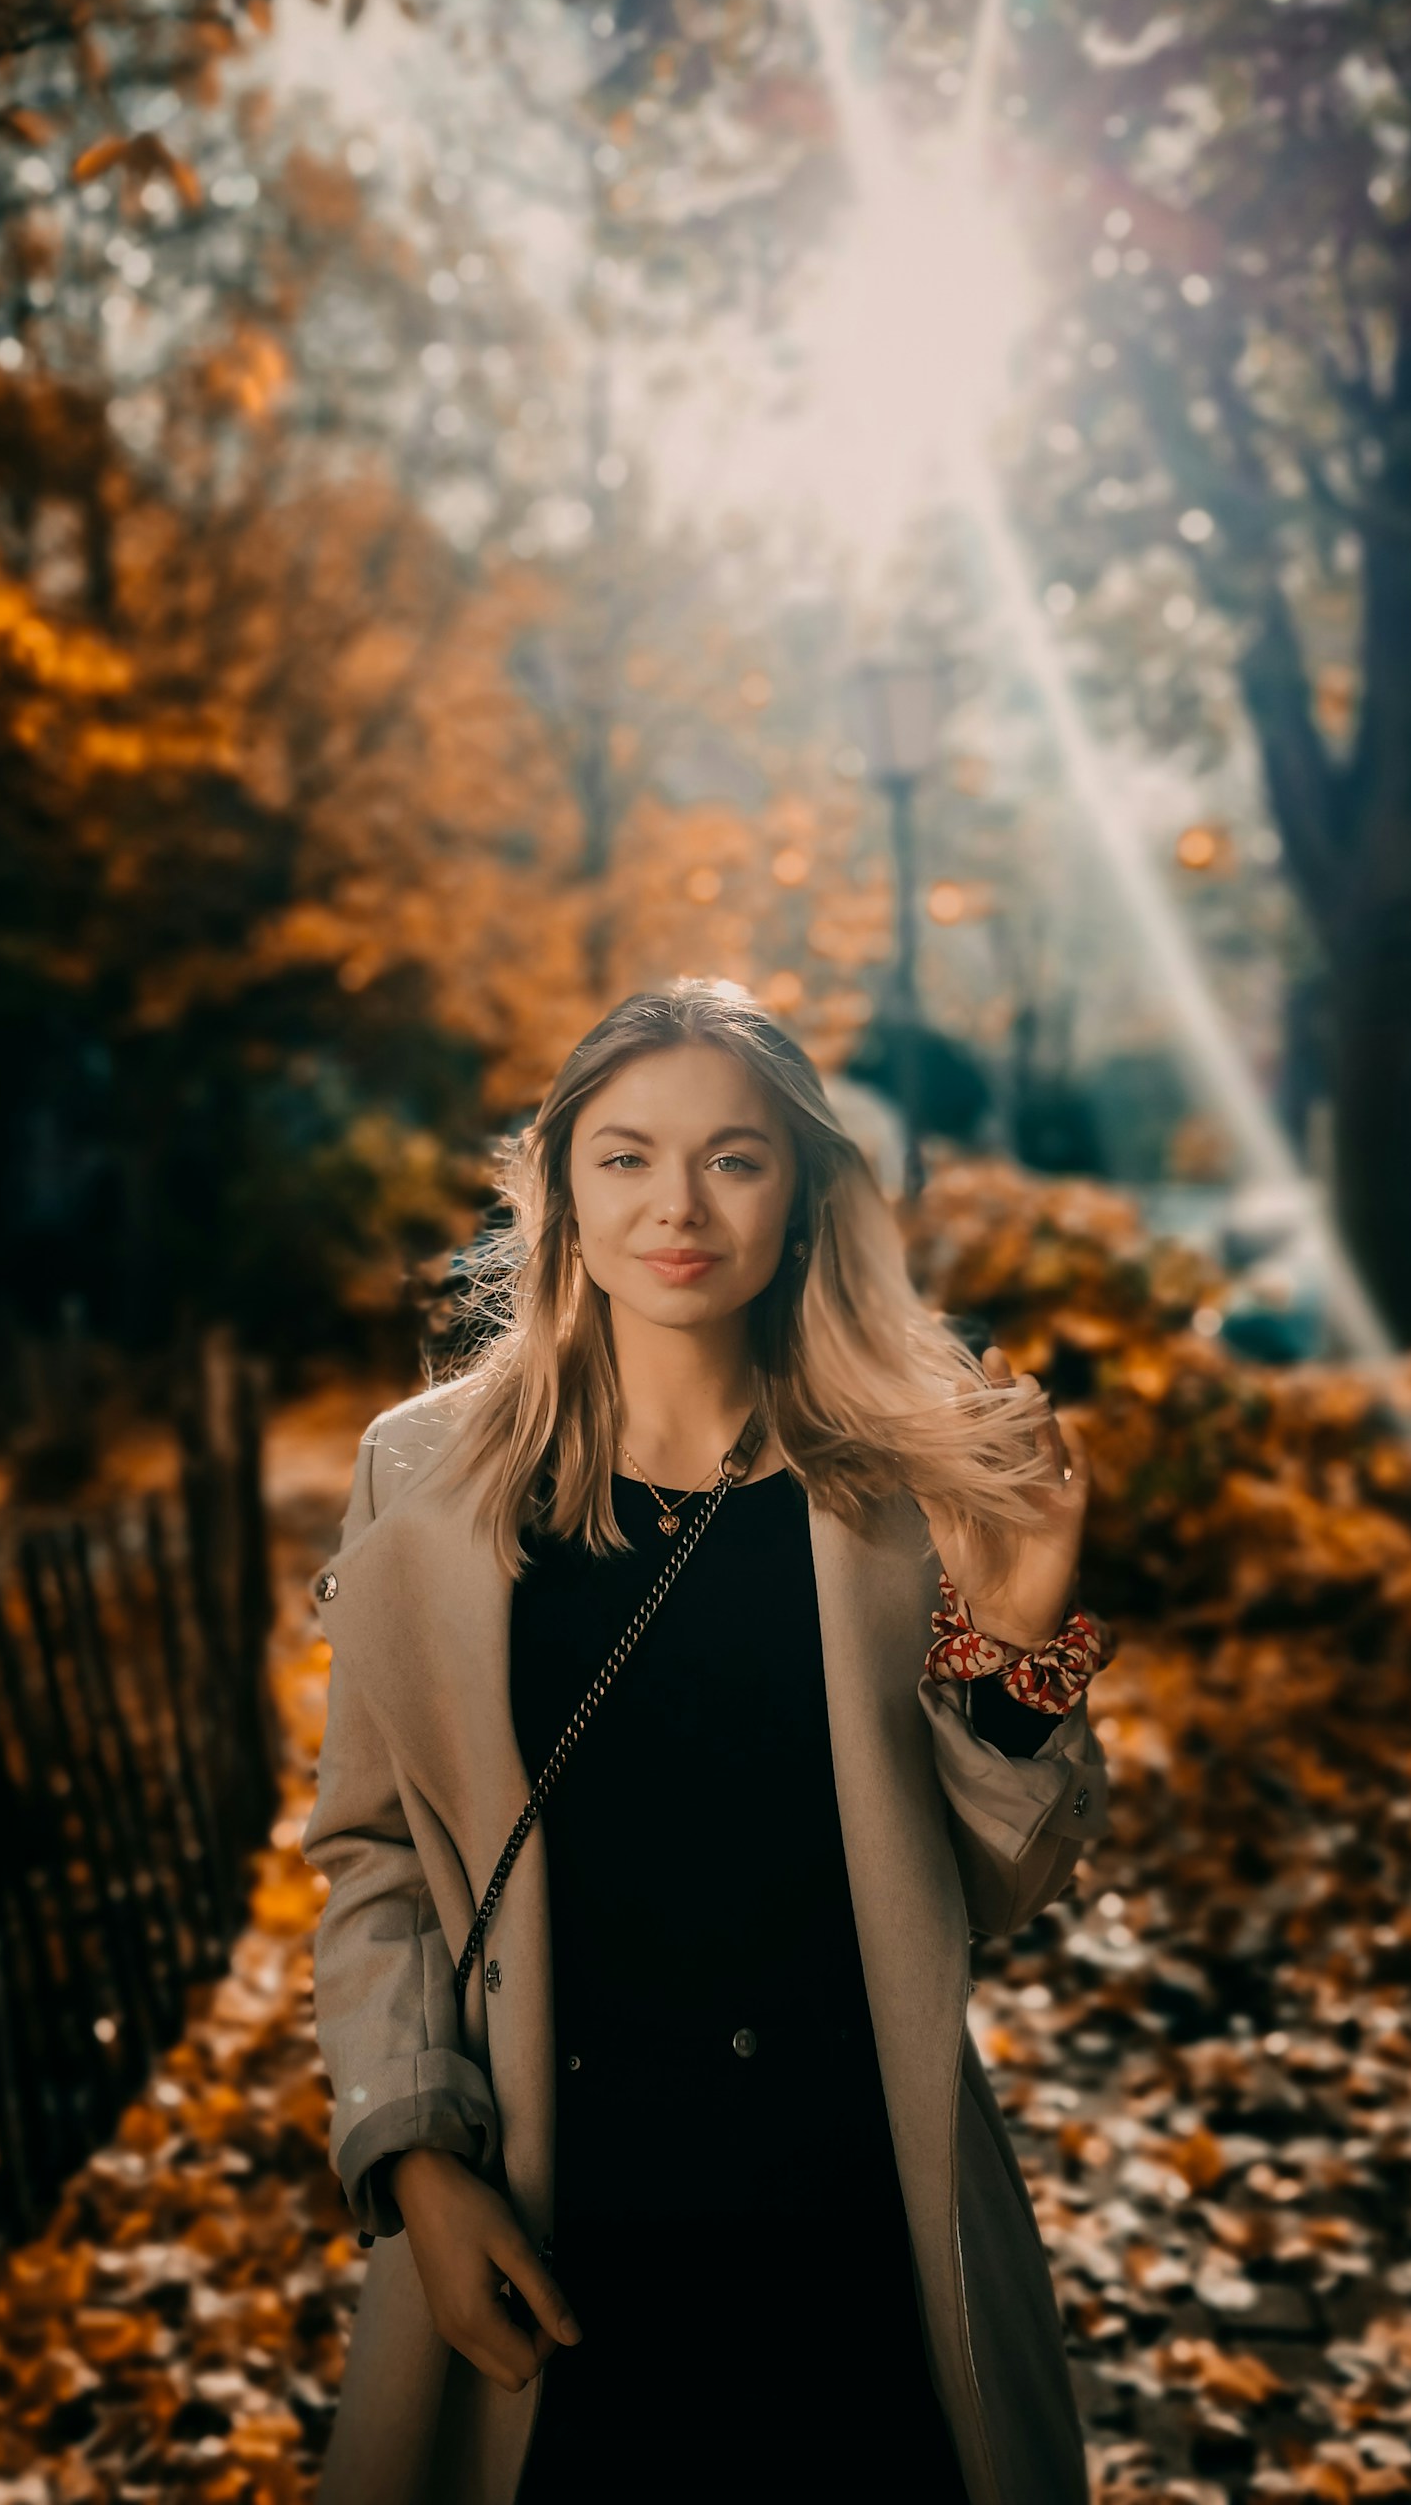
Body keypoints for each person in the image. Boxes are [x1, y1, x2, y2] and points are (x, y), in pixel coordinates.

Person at [300, 982, 1116, 2505]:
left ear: (803, 1194)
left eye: (735, 1158)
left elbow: (1001, 1893)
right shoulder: (421, 1481)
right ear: (558, 1190)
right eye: (625, 1157)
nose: (678, 1204)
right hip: (551, 2225)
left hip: (855, 2218)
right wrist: (414, 2158)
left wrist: (1013, 1653)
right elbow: (379, 1860)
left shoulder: (907, 1481)